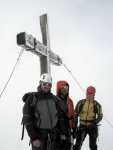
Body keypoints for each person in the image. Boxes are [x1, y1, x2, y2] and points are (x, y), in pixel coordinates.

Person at [23, 73, 66, 150]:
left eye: (49, 84)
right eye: (44, 84)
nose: (47, 86)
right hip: (39, 137)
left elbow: (60, 116)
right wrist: (33, 138)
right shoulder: (33, 97)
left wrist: (63, 133)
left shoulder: (54, 99)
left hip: (53, 137)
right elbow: (27, 118)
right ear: (40, 83)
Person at [74, 86, 103, 150]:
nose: (90, 96)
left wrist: (95, 122)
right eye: (89, 94)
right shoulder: (81, 103)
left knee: (93, 146)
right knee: (77, 145)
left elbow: (100, 115)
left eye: (92, 94)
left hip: (92, 127)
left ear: (94, 95)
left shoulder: (97, 105)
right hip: (82, 126)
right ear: (86, 93)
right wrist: (75, 126)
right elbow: (75, 114)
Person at [56, 80, 76, 150]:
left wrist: (74, 128)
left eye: (66, 87)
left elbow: (73, 115)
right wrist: (59, 133)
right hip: (58, 130)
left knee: (67, 147)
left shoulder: (70, 101)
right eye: (62, 88)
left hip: (68, 129)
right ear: (58, 88)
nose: (65, 89)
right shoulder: (54, 100)